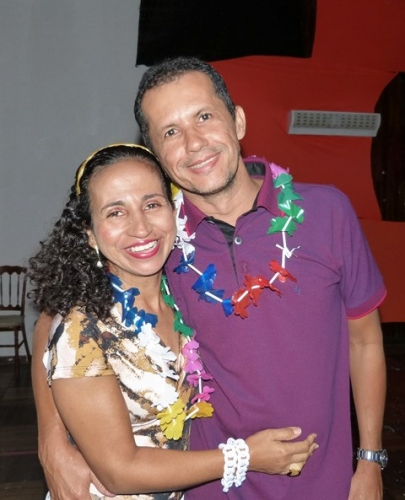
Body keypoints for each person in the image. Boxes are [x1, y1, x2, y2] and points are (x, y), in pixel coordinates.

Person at [32, 56, 387, 499]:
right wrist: (52, 443)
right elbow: (58, 320)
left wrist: (370, 460)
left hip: (324, 483)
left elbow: (365, 341)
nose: (194, 143)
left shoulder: (327, 213)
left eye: (204, 116)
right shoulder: (156, 238)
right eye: (170, 132)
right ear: (156, 153)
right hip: (210, 487)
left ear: (237, 120)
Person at [29, 143, 318, 500]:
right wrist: (246, 456)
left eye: (152, 204)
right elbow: (120, 472)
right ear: (89, 233)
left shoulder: (184, 291)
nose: (140, 228)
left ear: (174, 210)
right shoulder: (84, 328)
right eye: (116, 213)